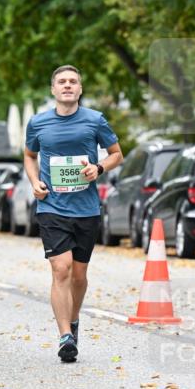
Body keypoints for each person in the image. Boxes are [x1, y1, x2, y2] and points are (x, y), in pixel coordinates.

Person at [24, 64, 123, 363]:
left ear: (80, 89)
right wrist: (34, 181)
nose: (67, 86)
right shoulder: (38, 123)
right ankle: (65, 335)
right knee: (61, 269)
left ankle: (74, 318)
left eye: (73, 82)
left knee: (79, 275)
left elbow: (117, 153)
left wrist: (100, 167)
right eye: (62, 82)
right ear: (53, 89)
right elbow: (30, 156)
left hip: (86, 209)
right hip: (52, 207)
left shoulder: (95, 120)